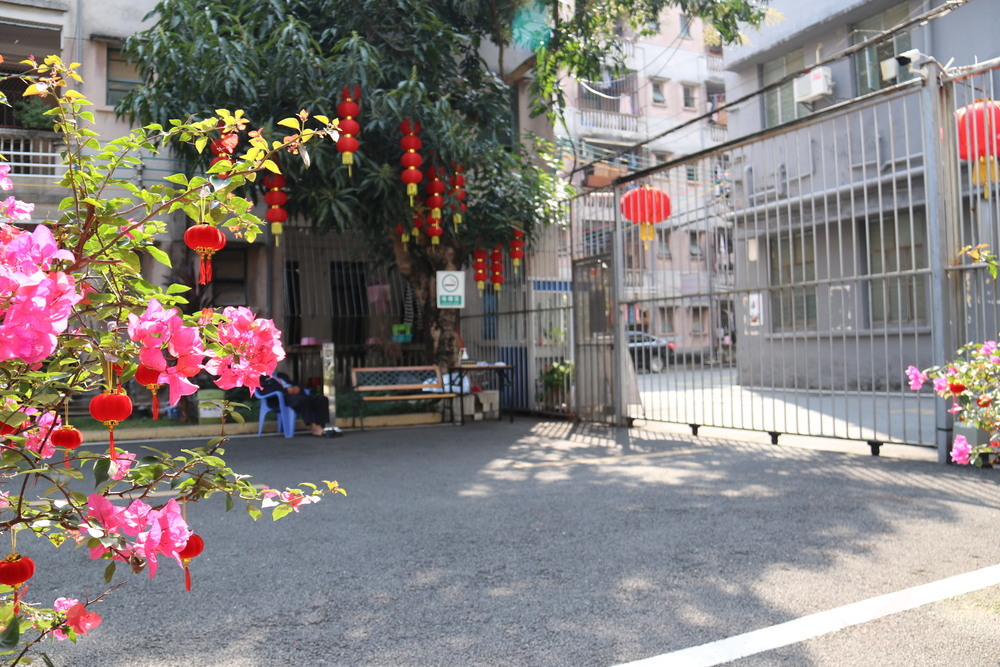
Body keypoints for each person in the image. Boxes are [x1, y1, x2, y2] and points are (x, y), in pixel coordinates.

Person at [259, 372, 330, 437]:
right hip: (283, 398)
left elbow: (294, 383)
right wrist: (286, 391)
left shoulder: (281, 375)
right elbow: (264, 391)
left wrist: (298, 388)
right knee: (303, 401)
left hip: (297, 395)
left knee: (322, 399)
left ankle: (321, 425)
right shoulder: (262, 378)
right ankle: (313, 426)